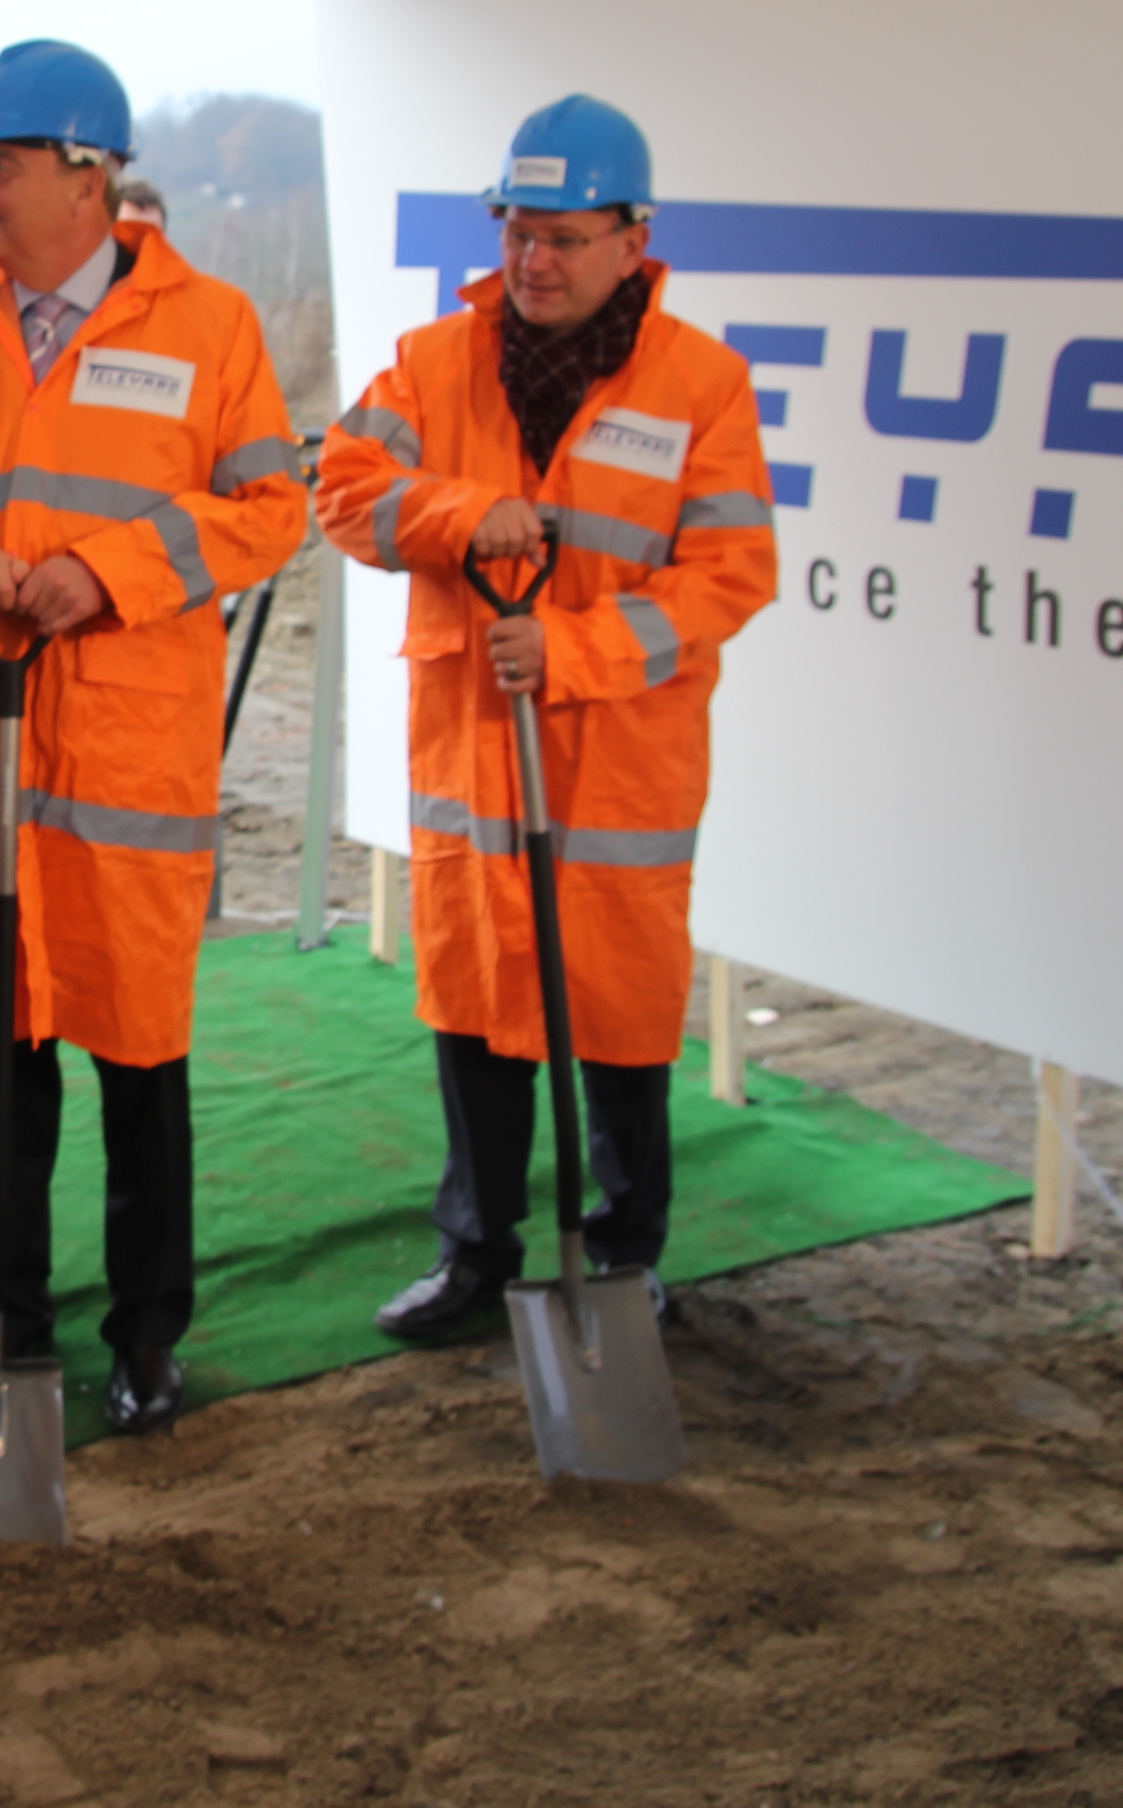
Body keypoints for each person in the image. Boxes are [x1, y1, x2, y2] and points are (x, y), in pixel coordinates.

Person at [0, 39, 305, 1436]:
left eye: (1, 163)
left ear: (89, 176)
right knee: (0, 1048)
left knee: (140, 1051)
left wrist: (109, 573)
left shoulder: (210, 328)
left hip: (130, 761)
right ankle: (12, 1317)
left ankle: (148, 1332)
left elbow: (269, 510)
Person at [313, 93, 778, 1339]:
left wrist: (572, 647)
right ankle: (476, 1256)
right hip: (476, 758)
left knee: (620, 1020)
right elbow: (344, 489)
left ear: (634, 241)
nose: (536, 260)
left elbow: (731, 574)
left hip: (620, 768)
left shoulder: (703, 384)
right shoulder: (434, 363)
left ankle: (623, 1260)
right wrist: (463, 514)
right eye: (519, 232)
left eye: (566, 238)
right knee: (476, 1010)